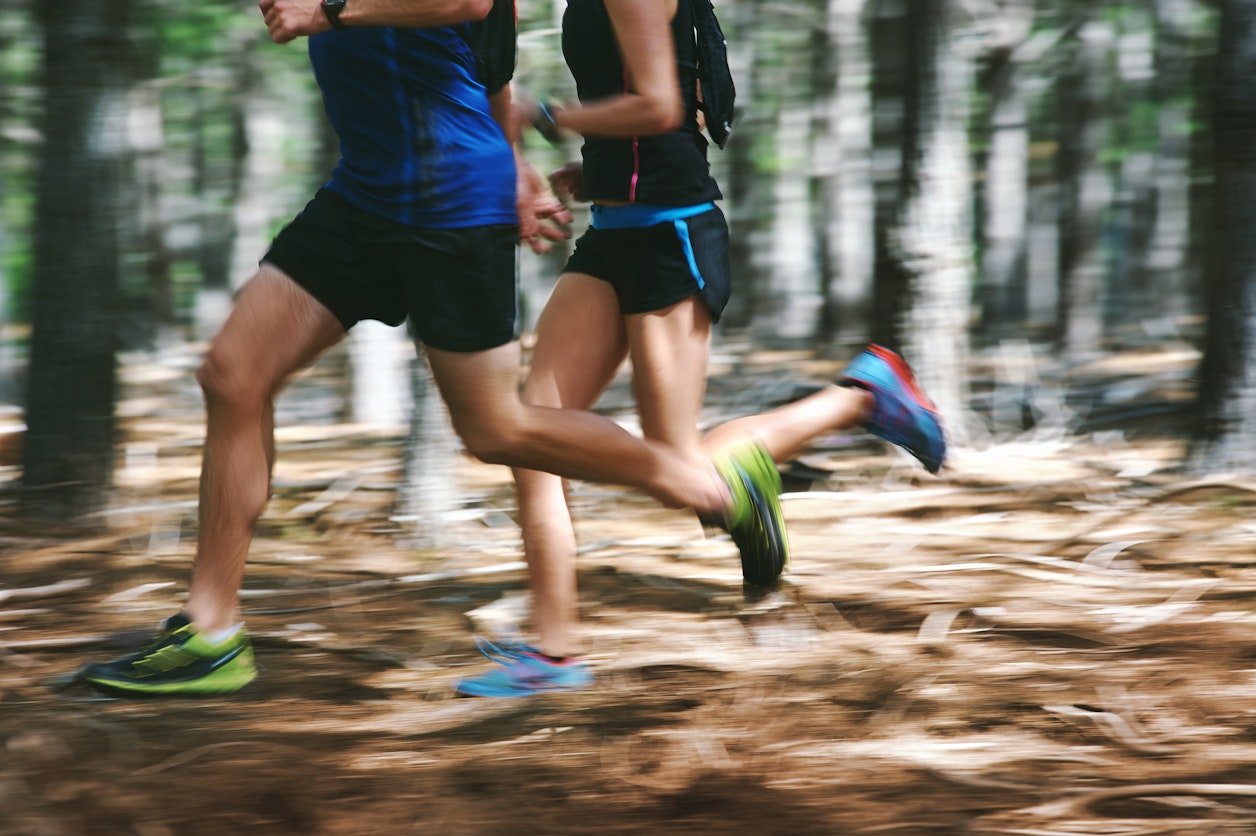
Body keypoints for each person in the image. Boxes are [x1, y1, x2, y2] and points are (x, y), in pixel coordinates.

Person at [76, 0, 788, 697]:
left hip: (447, 198)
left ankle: (719, 492)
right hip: (364, 191)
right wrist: (517, 161)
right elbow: (492, 50)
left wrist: (328, 12)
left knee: (495, 430)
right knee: (231, 374)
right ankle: (211, 633)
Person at [452, 0, 946, 698]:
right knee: (528, 436)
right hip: (618, 231)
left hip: (670, 236)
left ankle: (864, 396)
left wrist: (541, 114)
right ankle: (554, 653)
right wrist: (592, 172)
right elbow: (653, 107)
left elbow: (659, 106)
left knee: (676, 465)